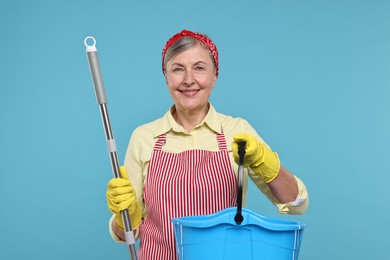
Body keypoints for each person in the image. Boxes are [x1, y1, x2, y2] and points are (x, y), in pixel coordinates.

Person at [106, 29, 309, 259]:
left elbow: (297, 204)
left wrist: (267, 164)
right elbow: (125, 235)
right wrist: (127, 218)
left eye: (199, 68)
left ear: (215, 75)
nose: (189, 80)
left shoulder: (237, 132)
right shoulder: (144, 137)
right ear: (166, 76)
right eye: (177, 69)